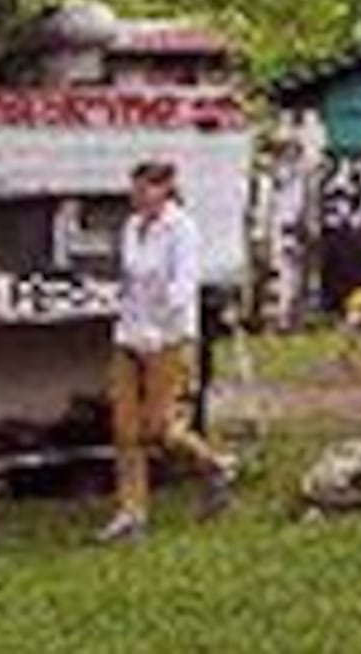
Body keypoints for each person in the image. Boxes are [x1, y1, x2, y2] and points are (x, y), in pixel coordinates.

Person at [100, 158, 237, 541]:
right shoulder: (131, 227)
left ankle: (213, 465)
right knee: (124, 428)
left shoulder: (182, 229)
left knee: (159, 427)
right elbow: (129, 278)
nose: (138, 196)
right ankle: (132, 513)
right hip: (128, 334)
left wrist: (159, 324)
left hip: (168, 338)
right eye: (135, 188)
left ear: (164, 189)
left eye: (146, 188)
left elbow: (182, 288)